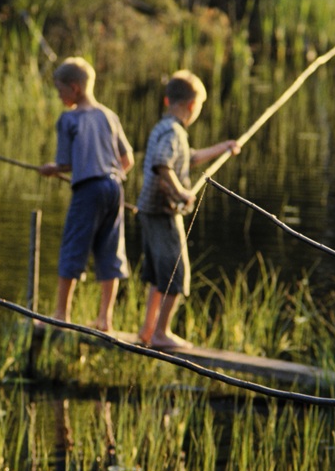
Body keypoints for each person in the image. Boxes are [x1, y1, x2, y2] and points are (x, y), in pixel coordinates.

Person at [135, 69, 239, 349]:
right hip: (164, 211)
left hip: (149, 210)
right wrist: (181, 191)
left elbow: (188, 157)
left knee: (158, 274)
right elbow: (161, 163)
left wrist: (223, 148)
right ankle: (160, 333)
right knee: (175, 273)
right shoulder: (173, 131)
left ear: (169, 101)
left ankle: (148, 330)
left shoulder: (164, 127)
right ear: (192, 105)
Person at [38, 57, 134, 332]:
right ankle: (105, 319)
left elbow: (64, 163)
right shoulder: (109, 114)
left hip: (88, 190)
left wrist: (51, 170)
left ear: (75, 89)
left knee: (73, 246)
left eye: (60, 89)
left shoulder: (69, 119)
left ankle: (60, 315)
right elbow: (127, 160)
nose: (58, 95)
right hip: (114, 187)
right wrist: (107, 171)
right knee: (110, 249)